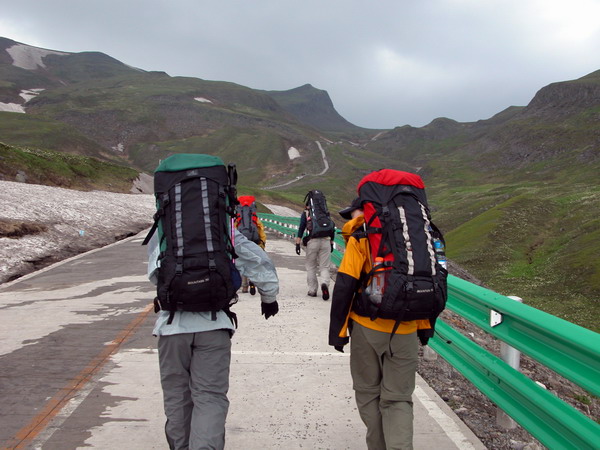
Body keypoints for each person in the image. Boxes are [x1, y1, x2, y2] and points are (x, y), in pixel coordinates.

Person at [148, 229, 279, 450]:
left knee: (176, 395)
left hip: (172, 326)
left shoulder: (164, 224)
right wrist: (269, 296)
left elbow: (154, 273)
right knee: (209, 396)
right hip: (214, 324)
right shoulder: (223, 223)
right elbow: (255, 257)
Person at [329, 197, 432, 450]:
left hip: (367, 327)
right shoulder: (415, 236)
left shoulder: (361, 236)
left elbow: (345, 286)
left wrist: (338, 333)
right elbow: (427, 280)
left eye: (352, 213)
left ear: (364, 210)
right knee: (399, 398)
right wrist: (425, 325)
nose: (350, 219)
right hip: (407, 328)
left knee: (368, 392)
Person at [295, 200, 335, 300]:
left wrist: (298, 243)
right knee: (324, 266)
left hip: (312, 241)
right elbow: (332, 228)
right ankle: (324, 283)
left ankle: (312, 290)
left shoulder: (306, 213)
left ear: (307, 205)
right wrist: (331, 243)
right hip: (326, 241)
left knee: (311, 266)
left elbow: (301, 228)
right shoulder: (324, 212)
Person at [234, 195, 268, 295]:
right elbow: (261, 230)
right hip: (254, 242)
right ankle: (253, 281)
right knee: (253, 263)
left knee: (244, 262)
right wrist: (262, 243)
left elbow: (233, 230)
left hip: (241, 243)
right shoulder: (254, 218)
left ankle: (244, 286)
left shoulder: (238, 219)